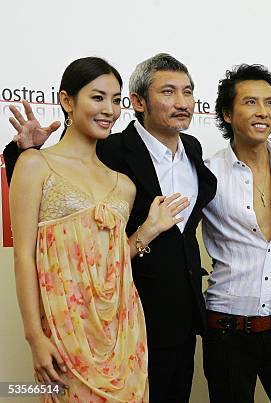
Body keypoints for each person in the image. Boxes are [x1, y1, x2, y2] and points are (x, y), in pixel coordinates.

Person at [6, 53, 218, 402]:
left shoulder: (151, 170)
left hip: (140, 324)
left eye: (114, 100)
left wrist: (266, 149)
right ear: (66, 101)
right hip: (72, 324)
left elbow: (112, 252)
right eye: (97, 97)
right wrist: (35, 336)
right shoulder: (104, 152)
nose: (109, 109)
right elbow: (26, 253)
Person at [200, 64, 271, 402]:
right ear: (226, 113)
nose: (263, 111)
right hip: (226, 332)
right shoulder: (208, 172)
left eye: (270, 102)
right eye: (250, 102)